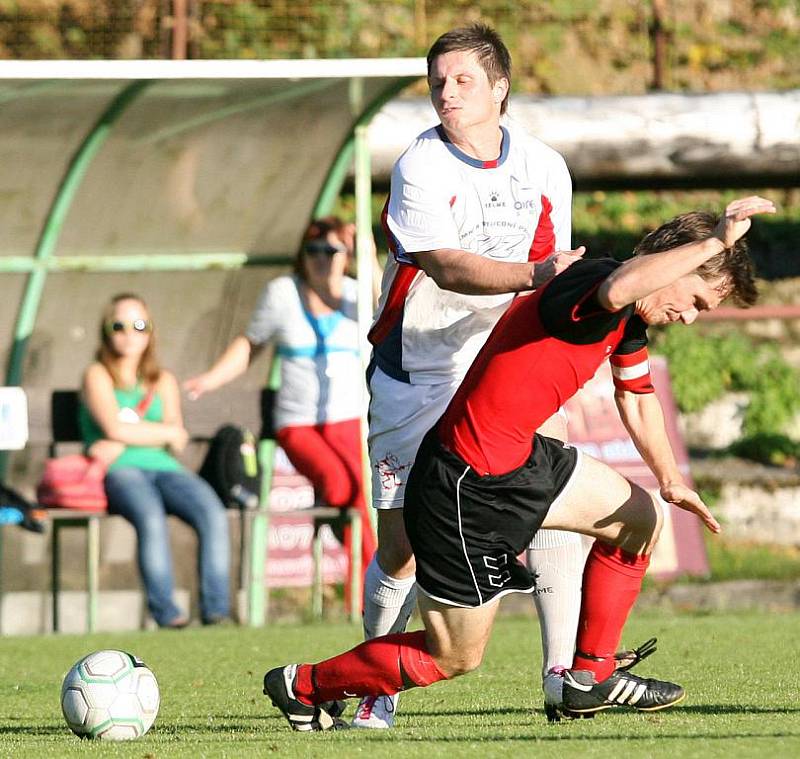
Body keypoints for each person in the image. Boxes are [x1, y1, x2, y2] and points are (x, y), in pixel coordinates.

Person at [263, 195, 776, 731]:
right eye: (696, 298)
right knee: (454, 656)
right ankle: (303, 685)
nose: (690, 317)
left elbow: (637, 394)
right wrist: (717, 240)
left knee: (642, 520)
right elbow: (622, 286)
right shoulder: (595, 281)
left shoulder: (627, 317)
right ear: (681, 261)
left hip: (524, 462)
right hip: (468, 484)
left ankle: (587, 679)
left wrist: (671, 480)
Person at [355, 23, 588, 727]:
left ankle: (562, 673)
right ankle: (375, 680)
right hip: (418, 368)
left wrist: (558, 352)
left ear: (500, 89)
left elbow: (552, 275)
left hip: (502, 366)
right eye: (437, 80)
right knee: (400, 546)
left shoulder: (546, 166)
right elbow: (445, 264)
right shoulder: (419, 165)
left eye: (461, 79)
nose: (446, 91)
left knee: (555, 503)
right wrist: (534, 274)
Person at [183, 218, 378, 605]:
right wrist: (210, 379)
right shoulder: (283, 294)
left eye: (332, 251)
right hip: (300, 424)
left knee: (362, 494)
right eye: (314, 251)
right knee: (343, 488)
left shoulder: (358, 296)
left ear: (347, 257)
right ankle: (373, 591)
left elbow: (387, 304)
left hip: (350, 422)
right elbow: (250, 343)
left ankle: (370, 588)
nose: (322, 259)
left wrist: (367, 249)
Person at [80, 293, 231, 628]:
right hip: (121, 470)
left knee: (212, 512)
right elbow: (112, 425)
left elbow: (177, 437)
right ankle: (167, 614)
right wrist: (156, 432)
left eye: (139, 325)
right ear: (106, 331)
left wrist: (127, 434)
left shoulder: (162, 379)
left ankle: (216, 611)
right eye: (118, 326)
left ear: (150, 332)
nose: (129, 333)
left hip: (165, 467)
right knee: (150, 517)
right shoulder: (97, 374)